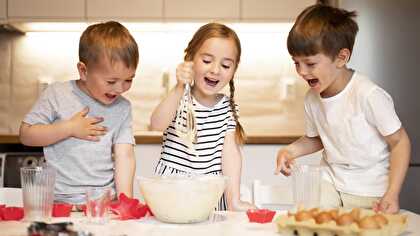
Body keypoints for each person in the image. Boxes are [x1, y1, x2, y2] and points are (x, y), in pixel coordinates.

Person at [275, 4, 411, 213]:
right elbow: (316, 138)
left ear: (341, 58)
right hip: (331, 183)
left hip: (370, 190)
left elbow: (400, 142)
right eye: (296, 63)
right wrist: (290, 150)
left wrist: (392, 193)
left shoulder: (368, 95)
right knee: (312, 221)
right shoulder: (312, 98)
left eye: (310, 64)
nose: (301, 71)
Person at [19, 21, 139, 205]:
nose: (120, 89)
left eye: (128, 80)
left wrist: (126, 202)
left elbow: (125, 156)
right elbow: (26, 135)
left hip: (103, 203)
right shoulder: (57, 94)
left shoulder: (122, 108)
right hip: (57, 202)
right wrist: (69, 128)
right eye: (111, 81)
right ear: (83, 71)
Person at [150, 22, 254, 211]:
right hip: (174, 190)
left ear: (234, 70)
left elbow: (230, 155)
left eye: (225, 65)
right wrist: (179, 86)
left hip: (211, 193)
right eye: (207, 61)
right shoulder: (178, 98)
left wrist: (234, 200)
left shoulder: (227, 108)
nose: (215, 70)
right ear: (190, 59)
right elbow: (156, 124)